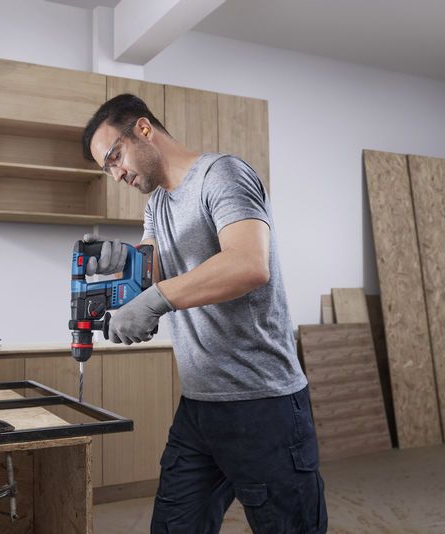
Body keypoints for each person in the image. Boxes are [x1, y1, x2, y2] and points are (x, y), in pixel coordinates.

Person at [81, 93, 327, 533]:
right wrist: (115, 271)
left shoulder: (223, 175)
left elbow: (248, 264)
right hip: (200, 405)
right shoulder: (156, 204)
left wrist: (154, 300)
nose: (116, 174)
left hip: (262, 403)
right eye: (107, 169)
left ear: (142, 129)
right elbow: (149, 276)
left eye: (115, 157)